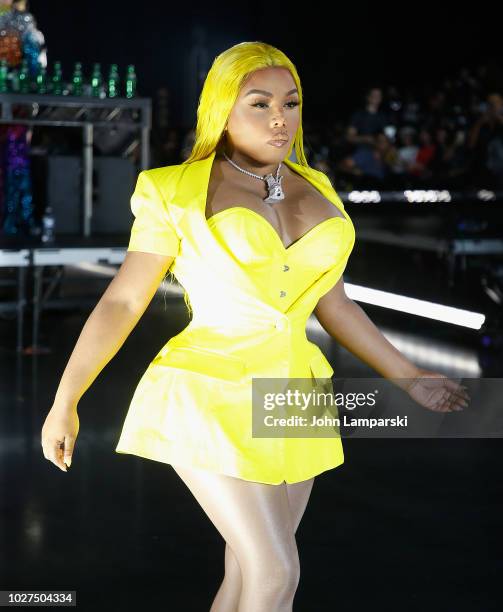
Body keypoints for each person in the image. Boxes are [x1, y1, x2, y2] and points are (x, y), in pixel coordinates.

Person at [41, 41, 470, 611]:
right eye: (259, 104)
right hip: (207, 389)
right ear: (222, 109)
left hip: (294, 397)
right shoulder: (174, 190)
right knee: (275, 575)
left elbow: (335, 304)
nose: (280, 119)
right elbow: (123, 301)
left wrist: (410, 376)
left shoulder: (318, 188)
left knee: (250, 576)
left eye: (290, 104)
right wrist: (66, 397)